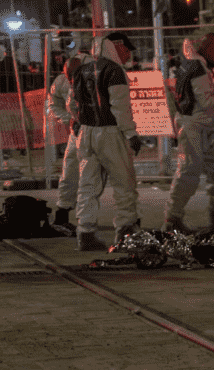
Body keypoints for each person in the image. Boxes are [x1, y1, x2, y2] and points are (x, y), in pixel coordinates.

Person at [70, 32, 144, 251]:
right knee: (124, 183)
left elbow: (73, 104)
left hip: (86, 132)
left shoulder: (82, 70)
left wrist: (78, 123)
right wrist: (131, 134)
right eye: (126, 49)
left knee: (88, 185)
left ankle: (85, 232)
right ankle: (125, 230)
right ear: (116, 47)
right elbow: (120, 107)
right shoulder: (114, 71)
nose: (128, 54)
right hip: (110, 133)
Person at [162, 33, 214, 234]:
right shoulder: (198, 68)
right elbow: (206, 101)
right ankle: (172, 219)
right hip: (195, 128)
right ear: (210, 48)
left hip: (198, 128)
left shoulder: (190, 64)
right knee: (188, 173)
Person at [48, 52, 95, 236]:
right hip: (84, 130)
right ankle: (71, 215)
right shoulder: (63, 81)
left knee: (79, 172)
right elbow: (53, 103)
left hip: (98, 129)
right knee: (72, 170)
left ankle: (81, 219)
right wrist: (69, 119)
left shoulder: (98, 76)